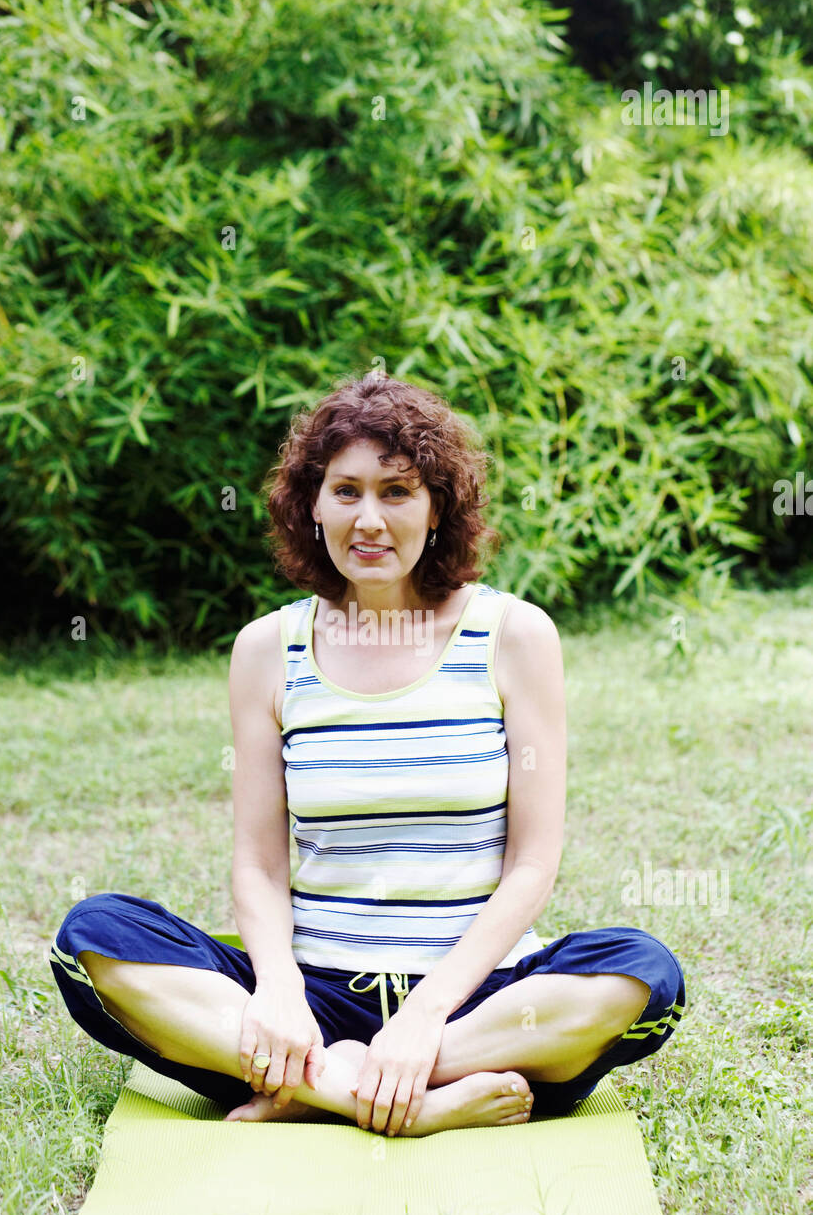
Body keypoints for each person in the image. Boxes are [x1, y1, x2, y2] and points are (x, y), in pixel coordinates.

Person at [50, 372, 685, 1138]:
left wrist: (422, 1019)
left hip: (476, 999)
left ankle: (328, 1082)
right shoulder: (267, 650)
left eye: (397, 491)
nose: (369, 519)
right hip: (314, 995)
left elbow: (531, 865)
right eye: (345, 491)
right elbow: (258, 863)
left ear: (438, 505)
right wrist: (279, 992)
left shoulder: (513, 636)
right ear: (311, 506)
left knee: (644, 975)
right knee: (93, 939)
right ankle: (382, 1096)